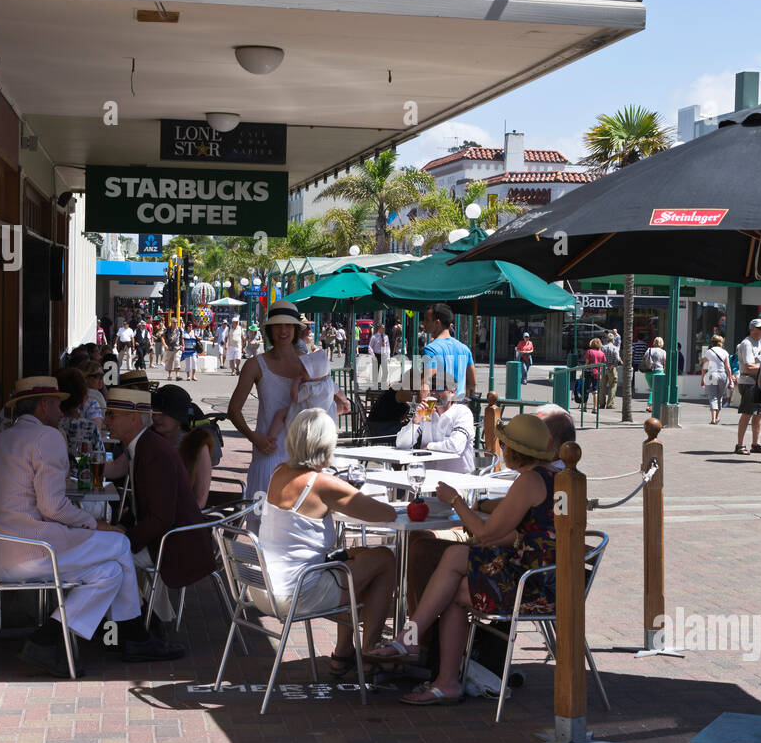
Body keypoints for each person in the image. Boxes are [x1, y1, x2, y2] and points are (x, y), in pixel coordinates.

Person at [0, 377, 177, 677]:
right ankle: (134, 635)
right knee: (120, 544)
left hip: (3, 553)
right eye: (58, 404)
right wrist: (94, 524)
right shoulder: (46, 437)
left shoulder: (3, 438)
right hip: (33, 550)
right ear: (44, 405)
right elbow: (52, 505)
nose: (63, 411)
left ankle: (48, 638)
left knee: (109, 572)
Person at [369, 414, 558, 705]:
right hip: (546, 576)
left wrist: (455, 500)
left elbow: (484, 534)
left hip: (529, 585)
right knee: (456, 590)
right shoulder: (548, 477)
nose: (500, 449)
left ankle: (409, 641)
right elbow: (516, 515)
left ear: (513, 451)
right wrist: (481, 504)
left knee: (455, 555)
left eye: (504, 445)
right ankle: (443, 679)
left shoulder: (528, 481)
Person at [259, 409, 397, 677]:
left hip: (264, 587)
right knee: (384, 560)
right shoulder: (322, 483)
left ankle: (343, 653)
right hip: (297, 592)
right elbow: (386, 514)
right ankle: (369, 650)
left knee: (353, 559)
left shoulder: (279, 471)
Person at [102, 388, 215, 630]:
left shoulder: (154, 449)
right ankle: (134, 624)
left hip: (175, 541)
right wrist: (120, 527)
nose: (105, 420)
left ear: (133, 418)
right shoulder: (146, 444)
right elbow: (147, 504)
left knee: (105, 558)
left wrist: (125, 539)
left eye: (111, 414)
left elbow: (163, 517)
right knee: (104, 551)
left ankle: (133, 627)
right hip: (163, 534)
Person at [228, 301, 343, 501]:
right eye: (278, 325)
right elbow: (234, 410)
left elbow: (334, 402)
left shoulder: (311, 363)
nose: (283, 330)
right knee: (263, 525)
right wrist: (255, 438)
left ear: (296, 329)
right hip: (269, 454)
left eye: (289, 325)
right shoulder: (255, 364)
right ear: (270, 329)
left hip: (306, 458)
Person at [395, 375, 475, 473]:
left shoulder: (462, 412)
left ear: (452, 392)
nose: (434, 392)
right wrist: (415, 421)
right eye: (431, 387)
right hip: (427, 477)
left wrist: (429, 446)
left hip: (457, 479)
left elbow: (455, 446)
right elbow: (401, 444)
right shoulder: (426, 413)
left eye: (439, 388)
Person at [266, 345, 333, 442]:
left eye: (304, 371)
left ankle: (271, 438)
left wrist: (295, 384)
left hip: (303, 414)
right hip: (321, 416)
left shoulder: (310, 387)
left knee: (280, 414)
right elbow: (338, 392)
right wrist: (345, 402)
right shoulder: (329, 382)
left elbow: (295, 398)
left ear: (314, 372)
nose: (300, 372)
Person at [421, 302, 476, 401]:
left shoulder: (430, 349)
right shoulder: (465, 349)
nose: (423, 323)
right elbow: (472, 382)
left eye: (427, 320)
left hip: (439, 408)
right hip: (460, 406)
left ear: (437, 323)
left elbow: (426, 383)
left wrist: (422, 411)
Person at [733, 319, 761, 454]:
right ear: (752, 329)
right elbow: (749, 366)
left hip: (757, 382)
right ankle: (739, 445)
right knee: (747, 413)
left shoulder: (757, 343)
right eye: (760, 327)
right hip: (749, 382)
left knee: (758, 414)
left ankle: (755, 443)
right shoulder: (747, 344)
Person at [701, 334, 733, 424]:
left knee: (713, 397)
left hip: (711, 375)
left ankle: (713, 418)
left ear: (712, 342)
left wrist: (702, 379)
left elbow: (705, 367)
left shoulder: (708, 352)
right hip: (722, 375)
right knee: (720, 396)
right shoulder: (725, 352)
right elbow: (728, 367)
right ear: (721, 343)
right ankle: (717, 416)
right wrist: (730, 379)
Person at [78, 361, 107, 428]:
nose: (101, 379)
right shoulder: (93, 396)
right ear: (85, 377)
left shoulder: (81, 393)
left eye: (102, 375)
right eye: (97, 376)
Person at [598, 333, 621, 409]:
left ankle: (601, 404)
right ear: (613, 340)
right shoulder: (615, 348)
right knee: (612, 386)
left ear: (606, 339)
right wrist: (613, 366)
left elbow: (599, 358)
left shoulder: (602, 348)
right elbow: (617, 359)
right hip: (612, 368)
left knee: (602, 387)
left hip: (603, 367)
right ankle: (610, 404)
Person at [582, 337, 606, 407]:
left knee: (586, 389)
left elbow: (586, 363)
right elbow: (603, 363)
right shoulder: (602, 353)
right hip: (597, 373)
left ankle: (585, 406)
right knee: (595, 390)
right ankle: (595, 407)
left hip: (589, 372)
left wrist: (583, 371)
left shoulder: (589, 351)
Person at [369, 323, 389, 388]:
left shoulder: (386, 336)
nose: (384, 329)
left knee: (385, 371)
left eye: (384, 328)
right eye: (383, 328)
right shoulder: (374, 337)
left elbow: (387, 347)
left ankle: (383, 384)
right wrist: (373, 355)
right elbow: (370, 347)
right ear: (379, 328)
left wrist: (388, 356)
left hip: (383, 355)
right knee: (375, 372)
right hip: (376, 355)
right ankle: (375, 385)